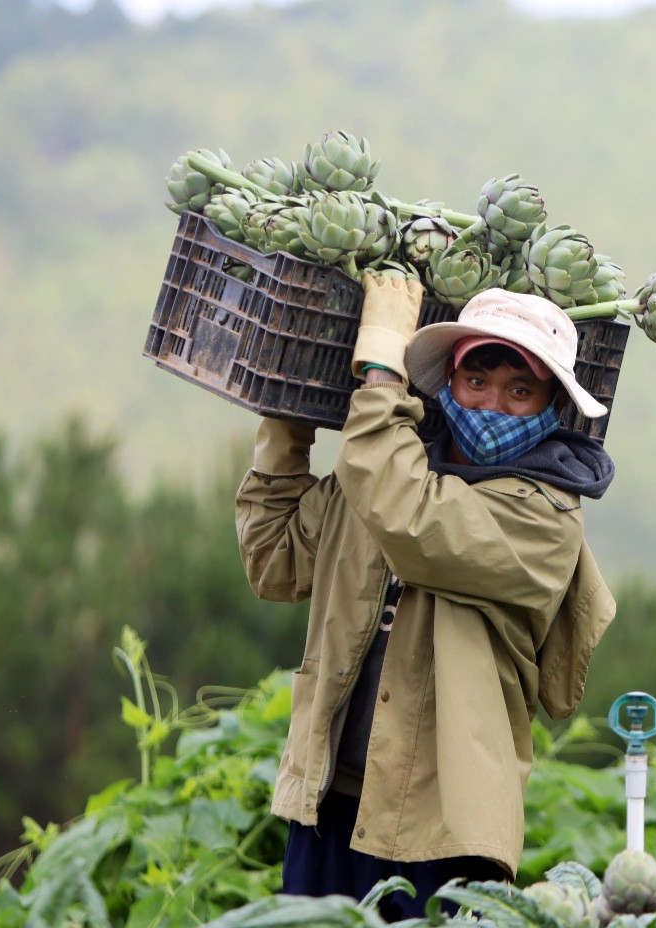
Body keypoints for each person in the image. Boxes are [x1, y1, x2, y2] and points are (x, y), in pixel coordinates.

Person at [235, 275, 617, 919]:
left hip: (441, 824)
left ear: (554, 405)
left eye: (520, 390)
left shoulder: (544, 516)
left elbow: (410, 516)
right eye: (477, 382)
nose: (493, 404)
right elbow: (273, 561)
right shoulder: (384, 469)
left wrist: (382, 372)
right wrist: (287, 414)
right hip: (329, 800)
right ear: (450, 385)